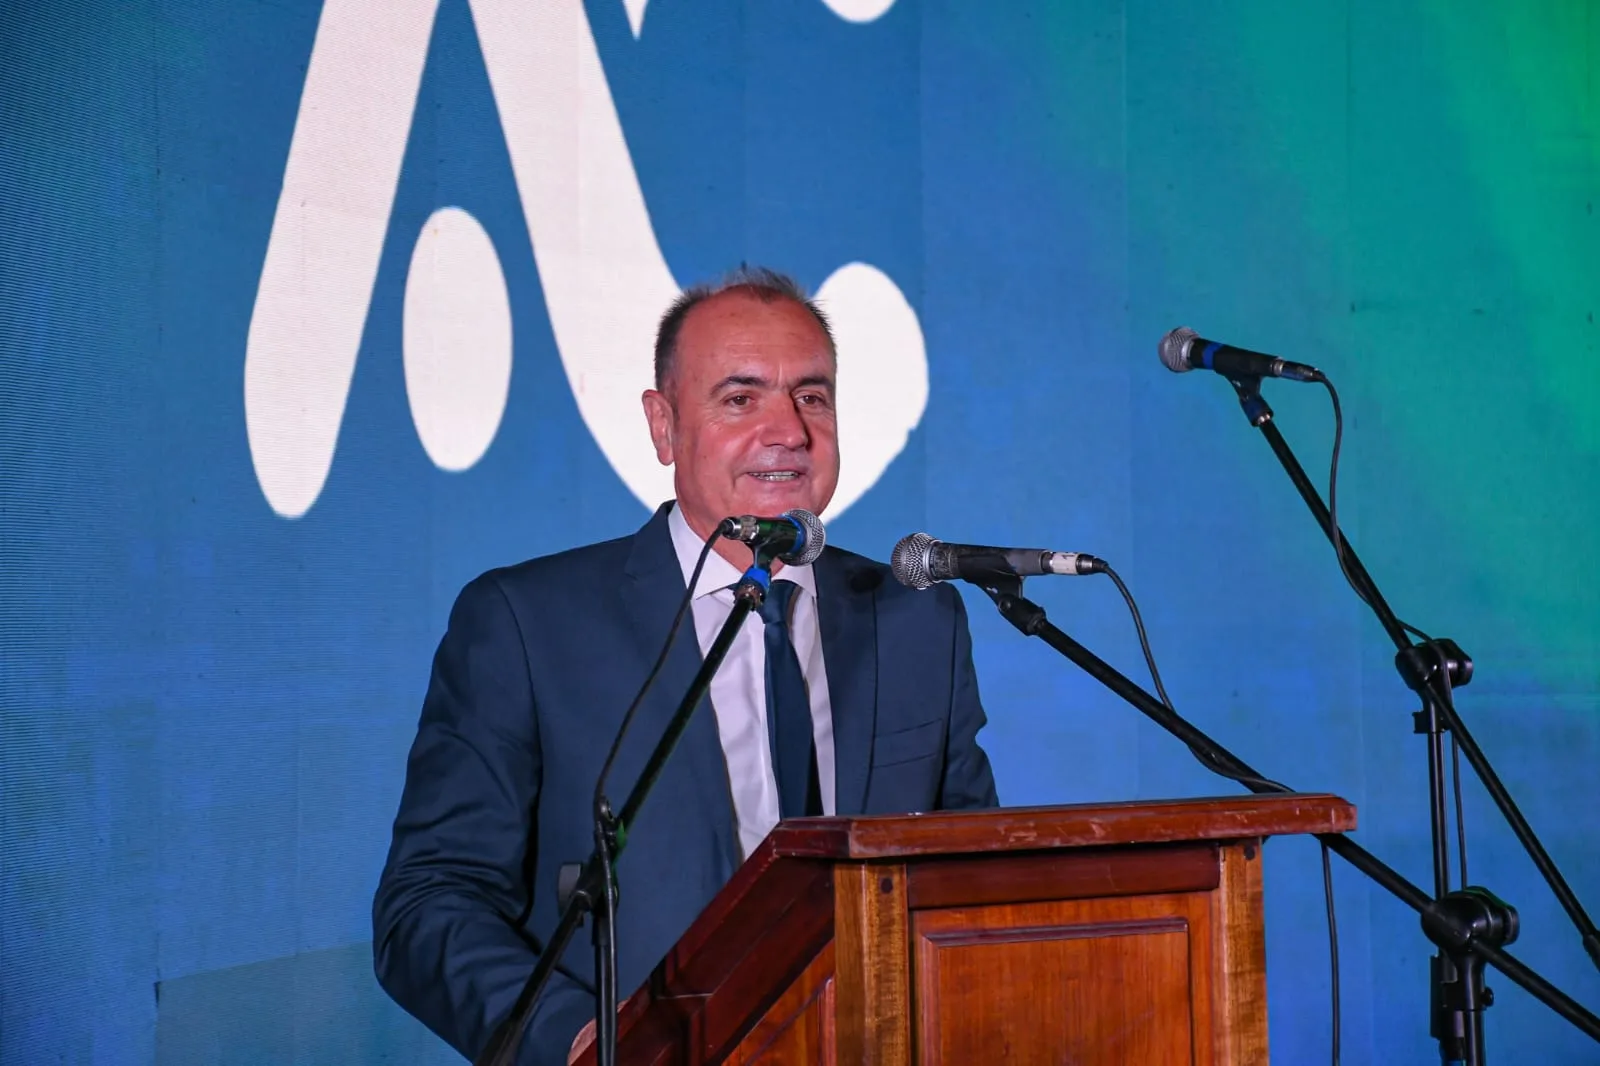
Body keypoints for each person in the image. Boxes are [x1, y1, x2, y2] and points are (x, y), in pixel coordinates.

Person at [372, 267, 999, 1066]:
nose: (788, 431)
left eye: (811, 397)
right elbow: (428, 902)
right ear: (663, 425)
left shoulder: (917, 622)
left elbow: (969, 885)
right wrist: (583, 1039)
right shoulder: (527, 624)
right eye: (740, 398)